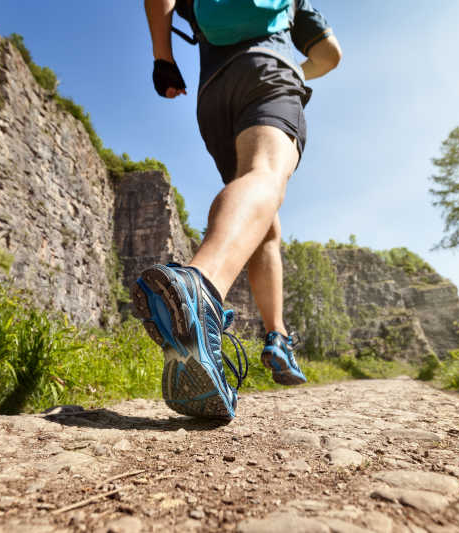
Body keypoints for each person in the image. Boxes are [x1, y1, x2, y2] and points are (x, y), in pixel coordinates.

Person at [133, 0, 342, 420]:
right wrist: (299, 70)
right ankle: (201, 287)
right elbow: (329, 55)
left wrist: (163, 59)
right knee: (265, 175)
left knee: (260, 213)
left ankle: (277, 335)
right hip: (269, 69)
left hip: (213, 94)